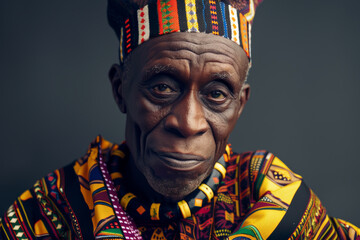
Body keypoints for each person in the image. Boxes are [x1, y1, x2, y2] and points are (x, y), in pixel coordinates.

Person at [1, 0, 359, 239]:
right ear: (119, 89)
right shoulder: (55, 208)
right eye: (162, 87)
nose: (188, 123)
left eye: (217, 94)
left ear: (240, 104)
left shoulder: (274, 200)